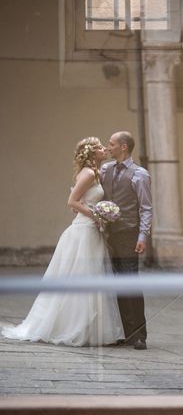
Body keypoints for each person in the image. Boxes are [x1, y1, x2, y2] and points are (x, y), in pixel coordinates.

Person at [2, 137, 125, 346]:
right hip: (83, 231)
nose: (104, 148)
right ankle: (71, 327)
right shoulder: (87, 174)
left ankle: (91, 329)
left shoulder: (95, 173)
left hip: (91, 230)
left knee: (93, 276)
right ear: (91, 152)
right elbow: (72, 201)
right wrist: (97, 215)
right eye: (99, 147)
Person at [101, 131, 152, 351]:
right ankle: (125, 331)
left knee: (130, 281)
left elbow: (146, 208)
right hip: (107, 234)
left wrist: (142, 236)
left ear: (123, 147)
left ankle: (139, 335)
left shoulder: (140, 174)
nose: (108, 147)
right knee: (116, 283)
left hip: (129, 234)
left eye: (111, 144)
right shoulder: (105, 170)